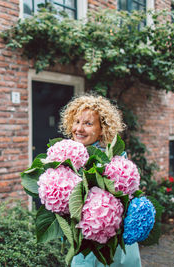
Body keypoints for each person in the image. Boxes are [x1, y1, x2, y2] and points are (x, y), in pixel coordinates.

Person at [59, 94, 142, 267]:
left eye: (88, 124)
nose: (79, 129)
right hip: (85, 241)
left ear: (102, 129)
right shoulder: (68, 156)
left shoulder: (114, 158)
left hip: (109, 242)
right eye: (76, 122)